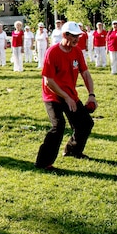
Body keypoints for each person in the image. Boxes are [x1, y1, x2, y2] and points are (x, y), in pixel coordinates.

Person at [34, 21, 96, 170]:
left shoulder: (77, 52)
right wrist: (65, 97)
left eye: (78, 36)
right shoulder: (52, 52)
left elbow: (85, 73)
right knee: (58, 126)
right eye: (74, 36)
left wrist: (91, 95)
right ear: (65, 35)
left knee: (85, 123)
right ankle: (43, 163)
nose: (77, 39)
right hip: (53, 96)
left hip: (70, 94)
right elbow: (48, 81)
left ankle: (72, 151)